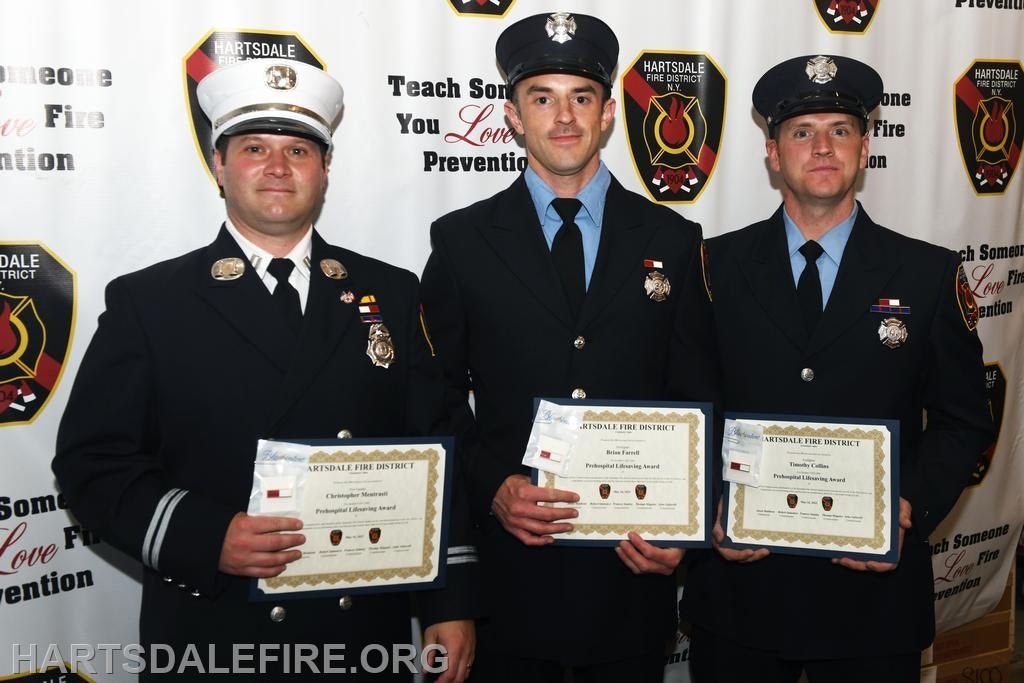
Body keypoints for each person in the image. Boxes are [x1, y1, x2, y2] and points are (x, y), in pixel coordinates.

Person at [53, 58, 478, 682]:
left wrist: (451, 599)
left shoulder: (390, 292)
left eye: (299, 151)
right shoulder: (151, 303)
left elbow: (439, 446)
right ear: (219, 165)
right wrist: (205, 537)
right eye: (255, 148)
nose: (278, 168)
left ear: (325, 169)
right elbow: (92, 465)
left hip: (360, 638)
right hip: (216, 636)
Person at [420, 11, 720, 682]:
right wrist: (492, 482)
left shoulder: (671, 239)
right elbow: (433, 398)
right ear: (513, 116)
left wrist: (686, 528)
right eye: (542, 97)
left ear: (608, 113)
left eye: (581, 97)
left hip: (628, 581)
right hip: (509, 586)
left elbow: (700, 397)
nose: (564, 116)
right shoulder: (462, 241)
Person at [680, 54, 994, 682]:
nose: (823, 147)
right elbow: (690, 405)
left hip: (871, 600)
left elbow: (965, 421)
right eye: (802, 132)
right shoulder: (714, 267)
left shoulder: (928, 276)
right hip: (744, 593)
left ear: (864, 147)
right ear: (773, 153)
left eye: (840, 130)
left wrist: (910, 507)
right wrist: (711, 504)